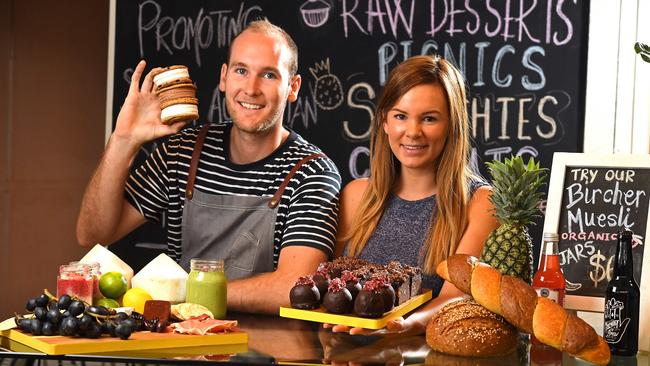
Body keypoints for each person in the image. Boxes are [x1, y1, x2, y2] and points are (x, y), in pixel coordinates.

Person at [76, 19, 341, 314]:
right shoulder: (182, 152)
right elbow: (93, 235)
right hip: (181, 342)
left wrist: (184, 292)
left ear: (292, 87)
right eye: (241, 71)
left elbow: (293, 287)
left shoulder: (313, 173)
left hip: (269, 350)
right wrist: (123, 140)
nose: (251, 89)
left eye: (268, 75)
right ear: (224, 77)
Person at [328, 55, 498, 335]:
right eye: (400, 116)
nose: (413, 132)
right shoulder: (355, 196)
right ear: (384, 122)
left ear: (452, 125)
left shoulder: (480, 204)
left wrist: (404, 326)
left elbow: (454, 297)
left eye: (429, 118)